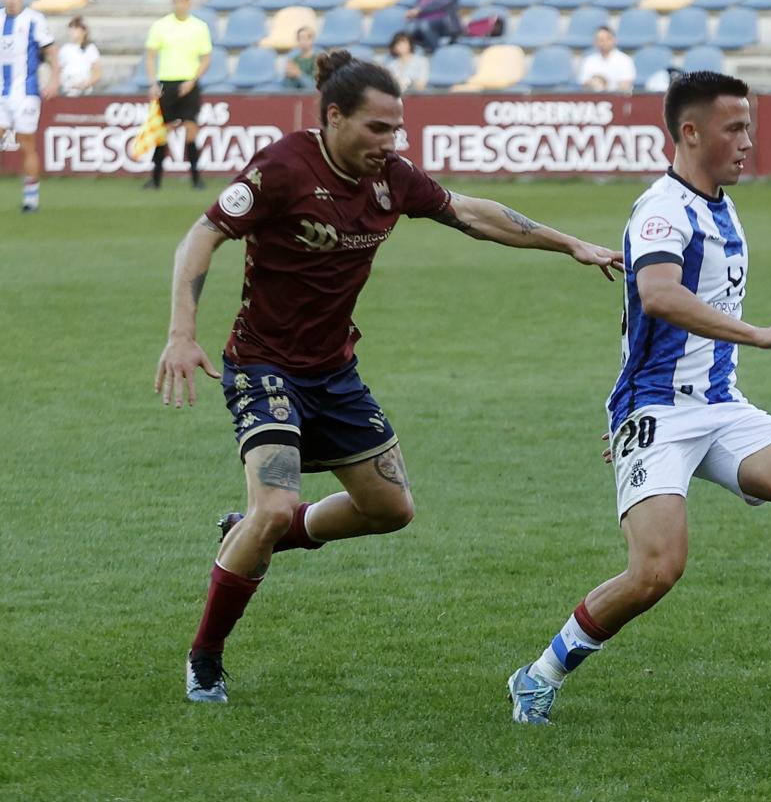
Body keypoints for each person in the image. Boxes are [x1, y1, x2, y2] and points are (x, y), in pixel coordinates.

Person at [153, 50, 624, 705]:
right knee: (275, 503)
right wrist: (182, 333)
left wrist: (568, 242)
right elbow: (201, 236)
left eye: (396, 129)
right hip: (264, 368)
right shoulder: (284, 167)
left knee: (390, 509)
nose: (391, 142)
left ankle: (258, 529)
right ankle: (206, 657)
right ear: (335, 116)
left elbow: (473, 213)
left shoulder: (393, 180)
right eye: (377, 128)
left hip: (333, 370)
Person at [506, 71, 771, 725]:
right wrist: (757, 335)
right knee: (656, 571)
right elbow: (658, 294)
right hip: (657, 412)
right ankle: (538, 674)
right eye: (735, 128)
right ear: (690, 132)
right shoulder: (664, 208)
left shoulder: (716, 200)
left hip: (719, 404)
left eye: (749, 126)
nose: (748, 141)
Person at [144, 0, 212, 190]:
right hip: (166, 82)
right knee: (161, 132)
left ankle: (196, 178)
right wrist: (153, 82)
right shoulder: (160, 26)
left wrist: (193, 80)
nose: (180, 3)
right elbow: (150, 56)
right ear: (173, 2)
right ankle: (155, 179)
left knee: (191, 129)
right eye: (177, 0)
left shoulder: (199, 27)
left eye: (184, 0)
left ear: (190, 2)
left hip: (189, 83)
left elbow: (206, 58)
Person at [0, 0, 58, 213]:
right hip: (1, 92)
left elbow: (52, 51)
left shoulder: (34, 20)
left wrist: (55, 79)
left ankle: (30, 198)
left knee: (27, 144)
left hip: (26, 93)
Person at [578, 26, 636, 93]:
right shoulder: (588, 61)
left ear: (614, 40)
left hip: (617, 99)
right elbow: (583, 84)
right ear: (594, 42)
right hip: (594, 100)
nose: (604, 42)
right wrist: (593, 83)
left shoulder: (625, 60)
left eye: (607, 39)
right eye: (600, 39)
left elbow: (625, 85)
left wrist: (605, 87)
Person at [58, 15, 101, 97]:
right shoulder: (65, 49)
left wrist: (84, 85)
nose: (72, 31)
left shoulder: (90, 49)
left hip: (84, 93)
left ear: (84, 31)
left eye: (76, 28)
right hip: (66, 92)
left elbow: (97, 72)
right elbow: (58, 70)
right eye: (71, 28)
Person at [283, 26, 317, 90]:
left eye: (306, 38)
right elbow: (287, 88)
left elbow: (314, 86)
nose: (303, 42)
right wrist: (289, 76)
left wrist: (298, 74)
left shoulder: (317, 59)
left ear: (312, 40)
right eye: (300, 39)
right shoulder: (295, 60)